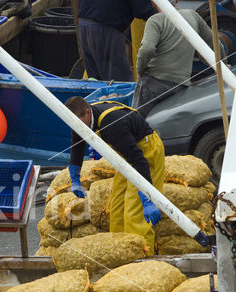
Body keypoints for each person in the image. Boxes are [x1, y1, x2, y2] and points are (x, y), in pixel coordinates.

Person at [66, 96, 165, 254]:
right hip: (126, 155)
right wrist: (75, 179)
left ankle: (141, 257)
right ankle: (121, 253)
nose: (75, 127)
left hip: (146, 151)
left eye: (77, 122)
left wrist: (147, 198)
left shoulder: (111, 125)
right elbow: (77, 147)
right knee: (117, 207)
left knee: (134, 210)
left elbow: (140, 161)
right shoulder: (80, 120)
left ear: (87, 112)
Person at [133, 0, 224, 118]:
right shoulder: (193, 16)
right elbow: (217, 45)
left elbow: (147, 49)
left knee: (138, 122)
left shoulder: (155, 20)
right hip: (180, 85)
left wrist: (140, 70)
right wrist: (224, 65)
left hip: (152, 84)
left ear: (153, 2)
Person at [76, 0, 157, 82]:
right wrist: (163, 17)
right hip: (105, 26)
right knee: (120, 81)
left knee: (94, 79)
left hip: (84, 23)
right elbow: (142, 9)